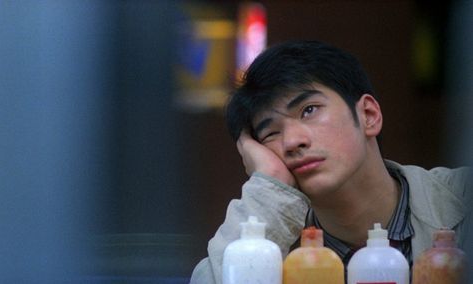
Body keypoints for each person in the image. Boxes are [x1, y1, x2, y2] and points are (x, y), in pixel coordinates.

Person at [190, 40, 472, 283]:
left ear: (369, 115)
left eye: (309, 110)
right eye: (270, 132)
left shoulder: (462, 197)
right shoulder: (271, 244)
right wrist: (269, 185)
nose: (292, 141)